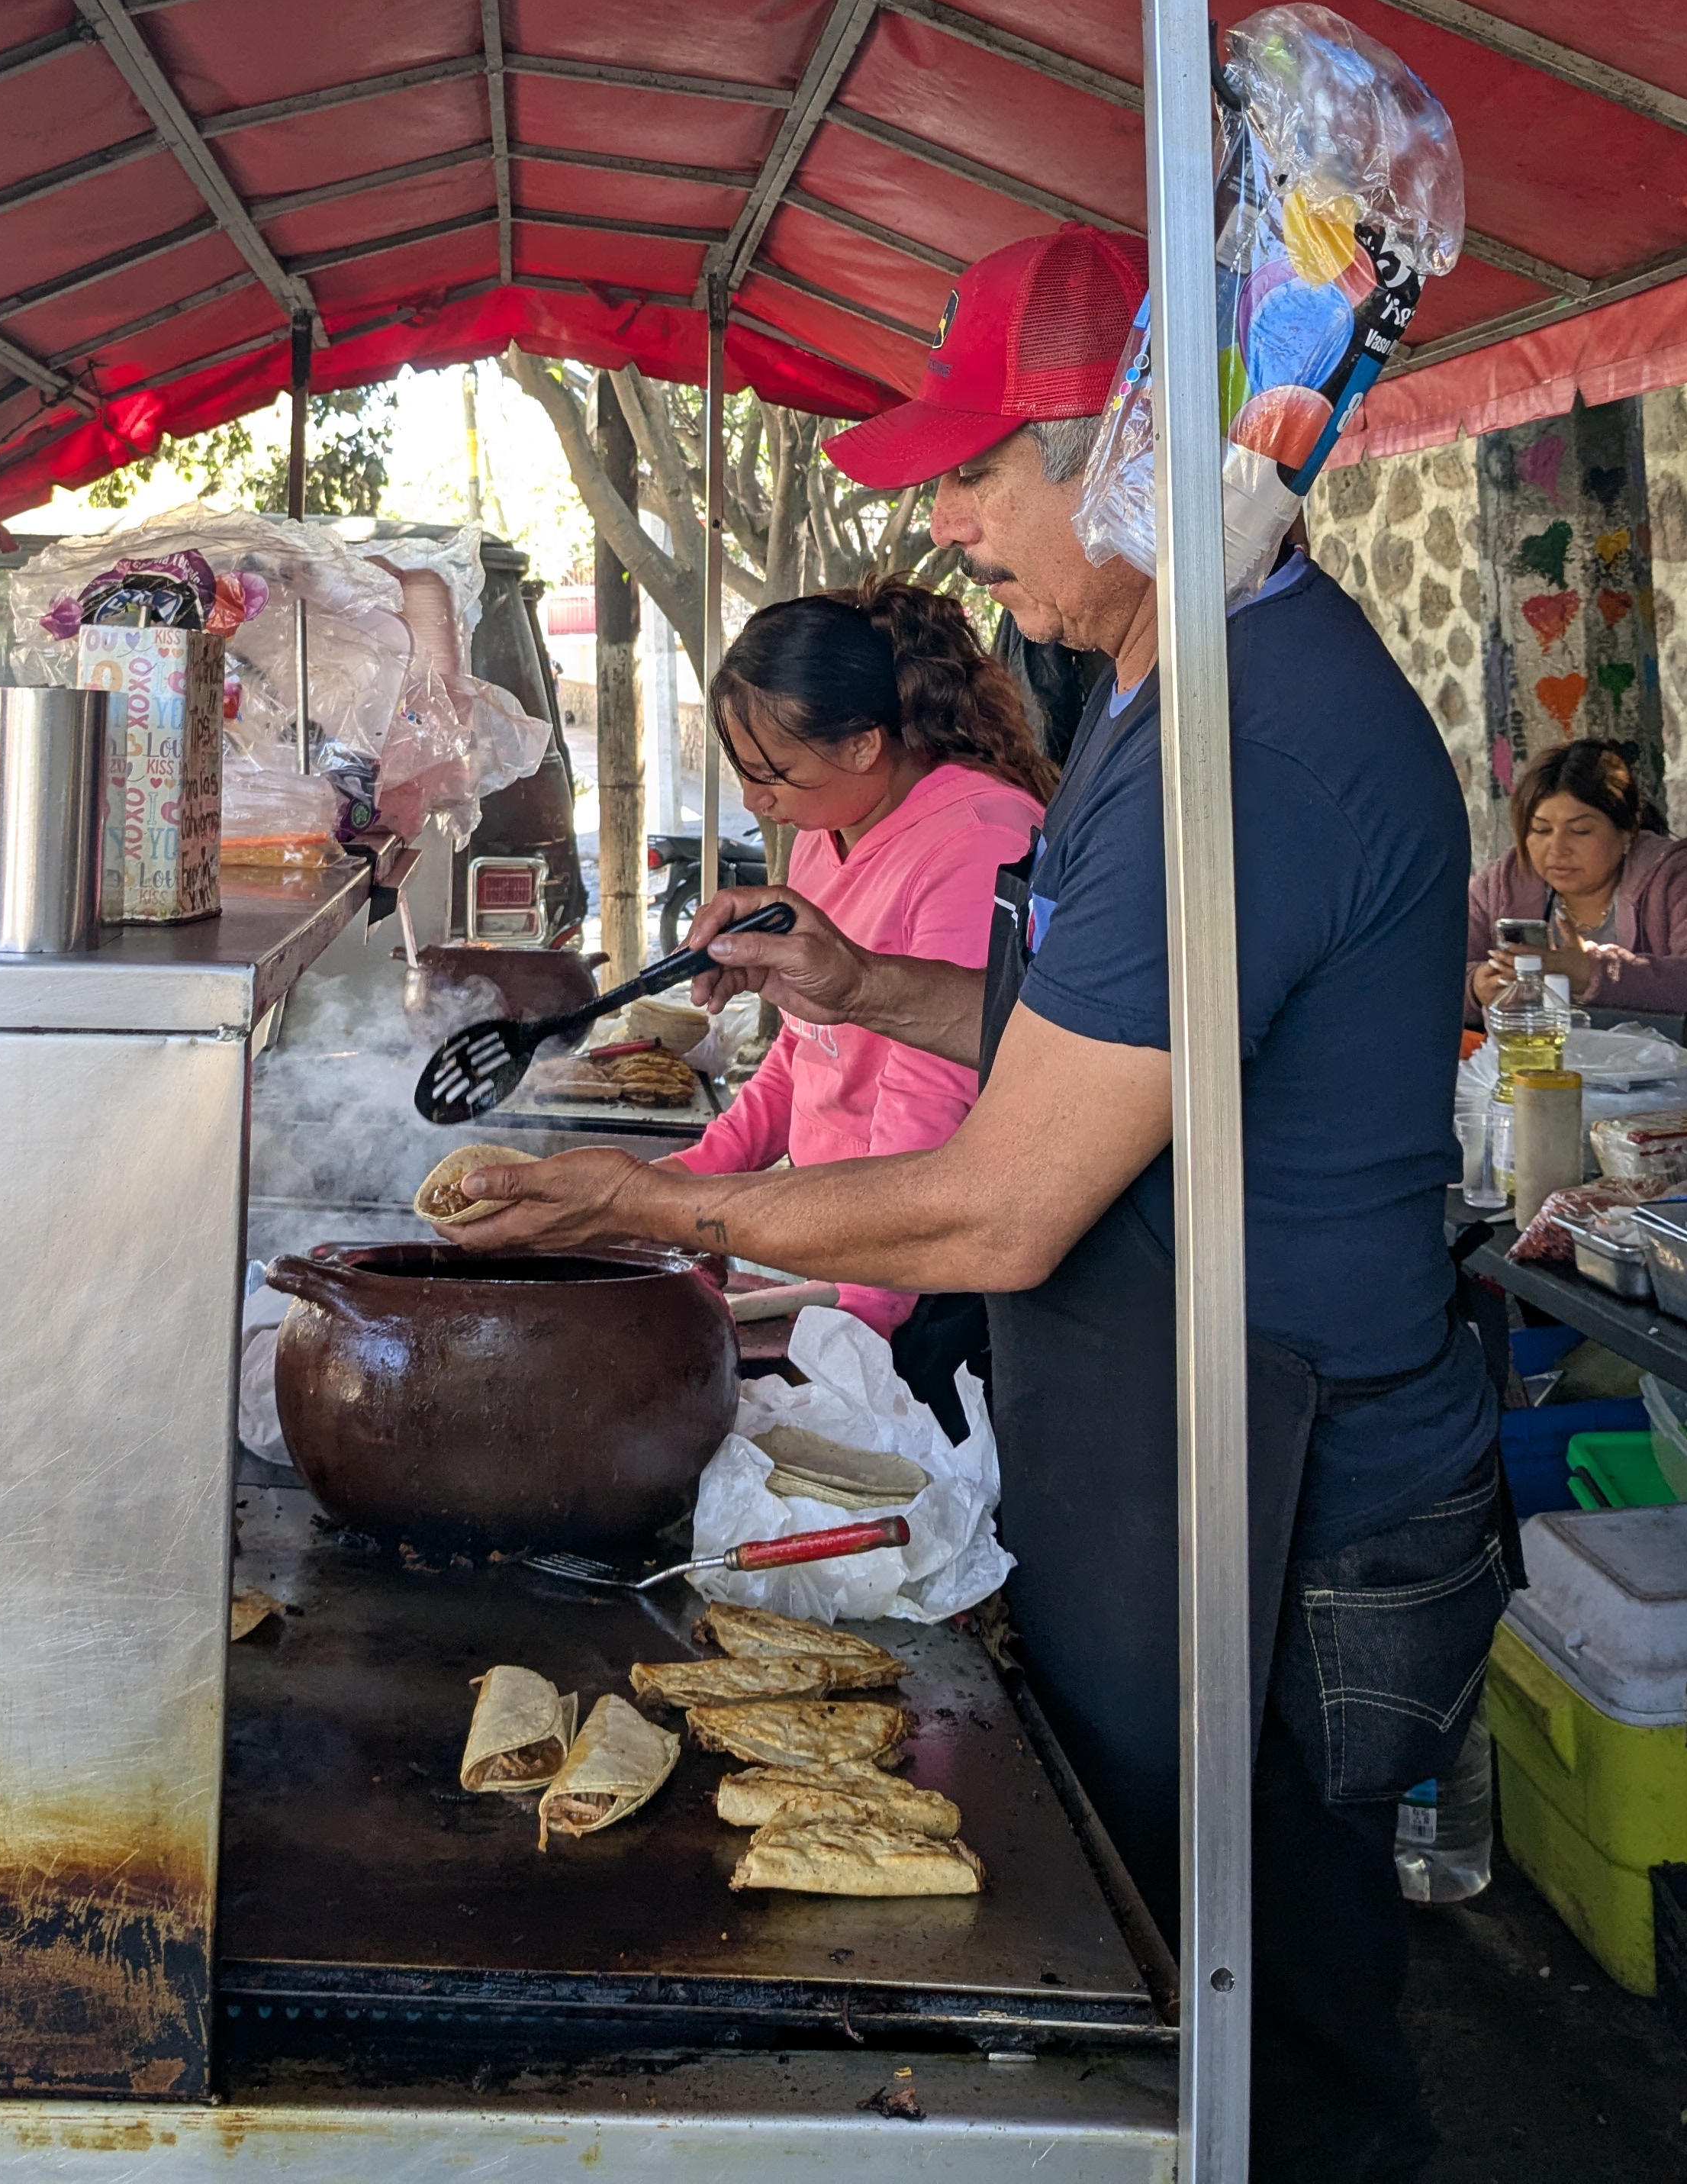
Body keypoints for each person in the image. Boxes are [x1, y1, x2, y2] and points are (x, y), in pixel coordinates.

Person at [448, 224, 1503, 2184]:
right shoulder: (1155, 690)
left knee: (1292, 2045)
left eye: (976, 470)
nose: (948, 524)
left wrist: (638, 1203)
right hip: (1187, 1466)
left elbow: (1008, 1207)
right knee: (1200, 2005)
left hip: (1294, 1508)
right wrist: (860, 992)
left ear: (1133, 453)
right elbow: (1100, 1044)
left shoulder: (1245, 740)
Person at [670, 575, 1049, 1395]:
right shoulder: (829, 824)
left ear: (864, 746)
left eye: (773, 773)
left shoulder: (976, 837)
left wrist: (856, 1325)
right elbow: (803, 1057)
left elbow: (931, 1110)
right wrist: (683, 1180)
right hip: (839, 1245)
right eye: (742, 772)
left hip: (922, 1288)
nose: (753, 800)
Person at [1469, 737, 1687, 1066]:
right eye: (1541, 829)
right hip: (1546, 1079)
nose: (1557, 848)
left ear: (1628, 830)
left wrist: (1594, 973)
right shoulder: (1502, 885)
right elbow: (1431, 980)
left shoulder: (1677, 873)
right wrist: (1477, 987)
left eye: (1580, 831)